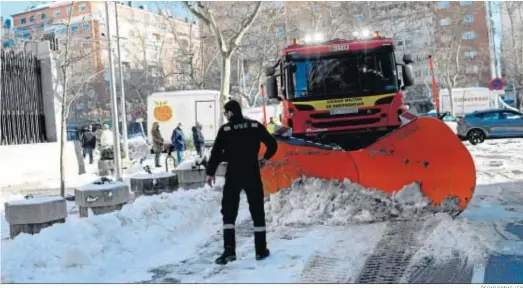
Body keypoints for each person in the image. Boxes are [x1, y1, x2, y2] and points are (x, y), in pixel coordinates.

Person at [205, 99, 278, 265]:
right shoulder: (254, 126)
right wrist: (265, 159)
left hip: (234, 174)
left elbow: (216, 152)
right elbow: (272, 144)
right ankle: (261, 250)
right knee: (257, 211)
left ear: (230, 112)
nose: (225, 116)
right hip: (252, 172)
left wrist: (210, 173)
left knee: (229, 212)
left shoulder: (226, 130)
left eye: (225, 113)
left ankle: (229, 251)